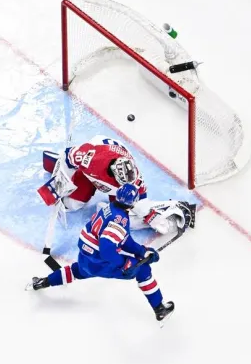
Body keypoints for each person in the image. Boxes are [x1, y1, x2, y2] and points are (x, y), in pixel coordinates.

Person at [26, 183, 175, 323]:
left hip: (86, 258)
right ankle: (159, 309)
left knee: (76, 270)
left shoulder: (110, 208)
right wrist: (125, 263)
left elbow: (123, 239)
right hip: (101, 262)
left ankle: (41, 282)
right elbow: (107, 249)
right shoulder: (120, 219)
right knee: (143, 269)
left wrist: (141, 251)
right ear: (133, 203)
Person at [39, 135, 196, 236]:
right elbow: (68, 156)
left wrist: (152, 217)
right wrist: (60, 183)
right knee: (71, 205)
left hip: (110, 175)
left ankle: (175, 205)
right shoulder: (90, 158)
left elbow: (140, 205)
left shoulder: (134, 180)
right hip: (92, 172)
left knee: (122, 222)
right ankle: (55, 162)